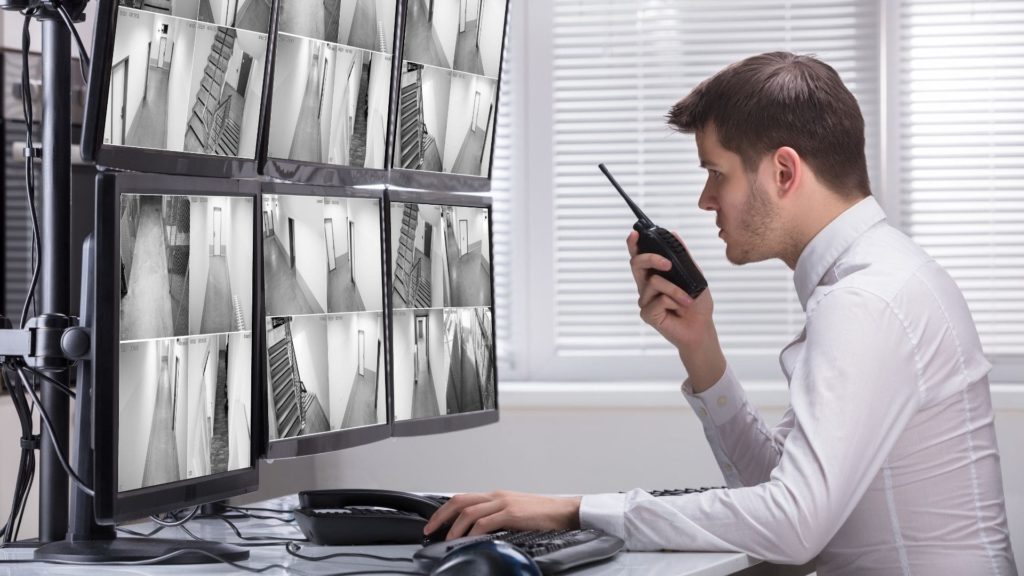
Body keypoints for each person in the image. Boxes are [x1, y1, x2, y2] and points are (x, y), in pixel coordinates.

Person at [422, 52, 1018, 574]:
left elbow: (791, 525)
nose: (705, 199)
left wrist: (575, 508)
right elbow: (780, 492)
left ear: (784, 172)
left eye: (716, 172)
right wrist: (700, 349)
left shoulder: (865, 301)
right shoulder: (880, 278)